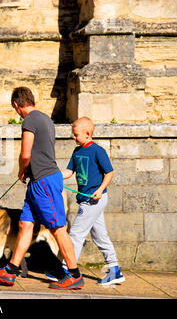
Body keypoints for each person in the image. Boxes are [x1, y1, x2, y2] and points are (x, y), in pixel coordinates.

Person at [0, 87, 84, 290]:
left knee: (56, 228)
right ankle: (10, 272)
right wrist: (30, 172)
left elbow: (26, 153)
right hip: (37, 182)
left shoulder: (29, 120)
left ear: (16, 105)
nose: (17, 112)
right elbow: (41, 151)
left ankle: (74, 274)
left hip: (45, 182)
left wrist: (22, 169)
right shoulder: (45, 118)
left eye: (16, 109)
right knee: (25, 225)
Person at [47, 116, 125, 285]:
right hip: (85, 200)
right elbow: (69, 172)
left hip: (94, 200)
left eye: (76, 135)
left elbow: (109, 172)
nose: (73, 137)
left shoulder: (98, 151)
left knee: (75, 234)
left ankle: (66, 270)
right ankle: (114, 270)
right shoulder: (77, 152)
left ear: (88, 134)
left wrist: (99, 190)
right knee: (100, 235)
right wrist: (51, 177)